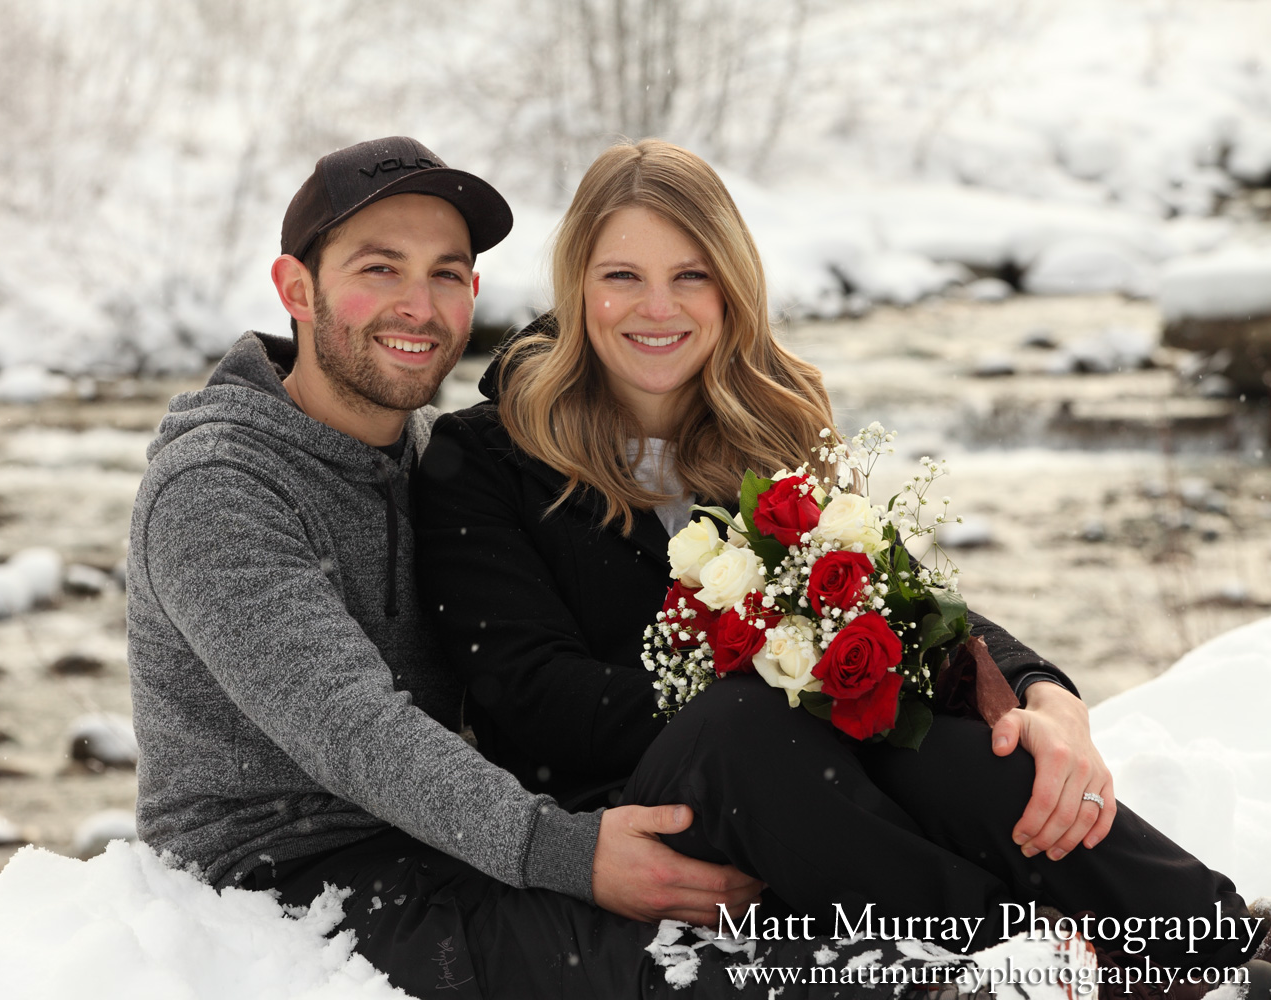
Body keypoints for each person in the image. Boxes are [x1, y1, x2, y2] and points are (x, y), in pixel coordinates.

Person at [412, 138, 1271, 991]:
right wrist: (781, 668)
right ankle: (1017, 957)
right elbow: (529, 698)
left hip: (809, 790)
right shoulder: (487, 456)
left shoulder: (772, 426)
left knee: (950, 748)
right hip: (632, 814)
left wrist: (1043, 690)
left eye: (691, 274)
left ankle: (1216, 948)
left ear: (730, 286)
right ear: (578, 285)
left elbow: (899, 598)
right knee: (748, 728)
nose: (657, 306)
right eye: (622, 275)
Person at [126, 135, 925, 1000]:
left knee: (788, 917)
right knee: (745, 975)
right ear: (296, 289)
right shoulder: (219, 486)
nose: (417, 306)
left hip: (453, 836)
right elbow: (354, 728)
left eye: (444, 274)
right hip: (288, 880)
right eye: (379, 269)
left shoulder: (429, 455)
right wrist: (573, 854)